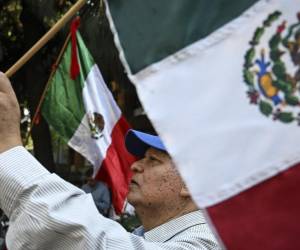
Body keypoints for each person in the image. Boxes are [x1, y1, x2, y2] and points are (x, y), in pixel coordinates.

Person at [0, 73, 220, 249]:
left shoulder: (208, 242)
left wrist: (8, 146)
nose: (135, 165)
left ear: (189, 183)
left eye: (153, 160)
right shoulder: (145, 237)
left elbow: (96, 242)